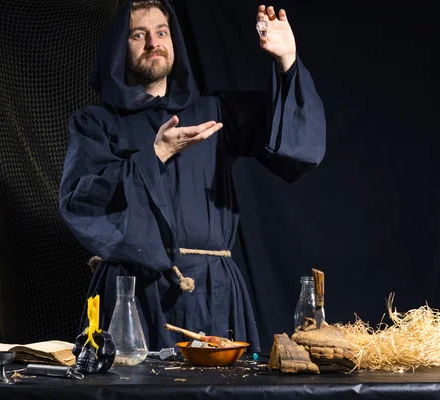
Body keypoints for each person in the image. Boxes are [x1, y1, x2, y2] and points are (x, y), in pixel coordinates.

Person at [59, 0, 325, 352]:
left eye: (162, 32)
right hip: (131, 295)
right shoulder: (95, 123)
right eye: (139, 35)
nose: (153, 43)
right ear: (118, 49)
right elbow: (81, 202)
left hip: (213, 293)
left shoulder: (214, 111)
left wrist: (287, 62)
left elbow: (297, 149)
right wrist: (155, 155)